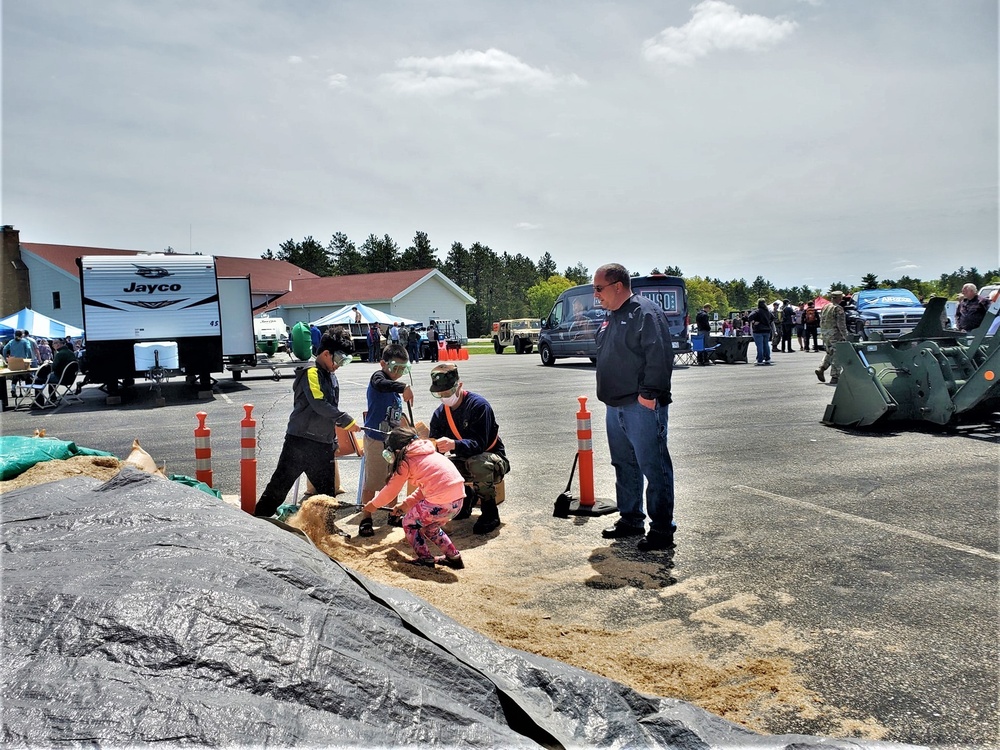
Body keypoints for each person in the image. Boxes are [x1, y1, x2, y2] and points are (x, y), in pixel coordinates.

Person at [593, 263, 676, 553]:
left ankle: (663, 530)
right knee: (624, 464)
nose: (596, 295)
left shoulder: (645, 312)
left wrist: (649, 394)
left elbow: (660, 353)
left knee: (654, 466)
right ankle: (631, 519)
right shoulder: (611, 316)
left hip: (640, 405)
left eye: (599, 288)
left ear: (618, 286)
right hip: (614, 405)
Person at [254, 328, 360, 518]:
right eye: (339, 360)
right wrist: (345, 420)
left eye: (345, 361)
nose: (339, 365)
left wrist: (332, 440)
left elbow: (329, 410)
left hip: (322, 445)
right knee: (279, 486)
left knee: (327, 495)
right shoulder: (311, 372)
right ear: (326, 353)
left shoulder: (331, 375)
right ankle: (259, 521)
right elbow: (319, 404)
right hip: (300, 443)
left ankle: (328, 531)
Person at [362, 426, 466, 568]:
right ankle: (454, 558)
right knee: (431, 528)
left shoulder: (406, 461)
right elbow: (424, 490)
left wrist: (373, 505)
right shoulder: (427, 453)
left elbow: (390, 491)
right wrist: (405, 505)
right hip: (457, 501)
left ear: (397, 450)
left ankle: (425, 558)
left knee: (408, 522)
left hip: (439, 501)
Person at [428, 363, 509, 535]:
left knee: (477, 463)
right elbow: (434, 446)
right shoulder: (439, 414)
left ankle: (490, 513)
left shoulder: (479, 406)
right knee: (438, 467)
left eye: (447, 391)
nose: (443, 396)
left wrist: (454, 444)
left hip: (491, 458)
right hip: (464, 458)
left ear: (459, 385)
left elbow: (479, 444)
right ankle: (465, 500)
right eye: (439, 393)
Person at [358, 343, 414, 537]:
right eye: (394, 367)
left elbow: (397, 416)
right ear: (383, 363)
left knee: (394, 479)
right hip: (375, 439)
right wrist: (403, 387)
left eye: (402, 369)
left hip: (393, 442)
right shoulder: (378, 378)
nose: (398, 372)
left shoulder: (394, 388)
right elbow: (382, 384)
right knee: (372, 482)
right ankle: (366, 517)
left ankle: (394, 513)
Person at [816, 290, 848, 384]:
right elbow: (841, 325)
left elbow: (821, 321)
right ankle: (835, 376)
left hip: (826, 334)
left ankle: (821, 368)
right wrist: (846, 336)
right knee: (837, 355)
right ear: (839, 298)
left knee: (830, 353)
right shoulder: (838, 308)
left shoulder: (825, 307)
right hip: (835, 335)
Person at [747, 299, 774, 365]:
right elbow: (773, 318)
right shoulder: (768, 311)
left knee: (759, 345)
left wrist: (754, 321)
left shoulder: (757, 311)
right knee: (766, 345)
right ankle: (767, 358)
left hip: (758, 330)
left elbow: (749, 317)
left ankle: (760, 359)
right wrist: (768, 322)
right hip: (767, 330)